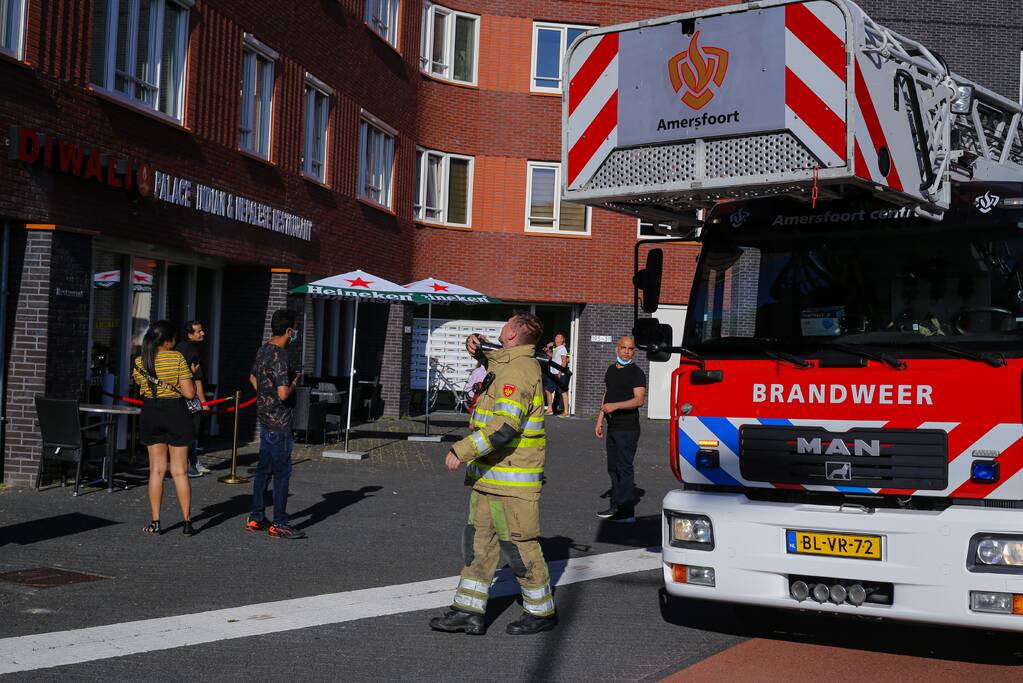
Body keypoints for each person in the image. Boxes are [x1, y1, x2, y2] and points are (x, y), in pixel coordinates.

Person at [429, 311, 556, 636]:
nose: (503, 325)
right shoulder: (507, 362)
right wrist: (477, 349)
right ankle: (467, 612)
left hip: (513, 484)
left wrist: (462, 449)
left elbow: (504, 427)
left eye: (508, 322)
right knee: (478, 547)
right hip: (490, 479)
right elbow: (494, 361)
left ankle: (540, 612)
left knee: (519, 547)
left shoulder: (519, 370)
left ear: (514, 332)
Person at [131, 320, 197, 536]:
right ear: (168, 341)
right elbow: (189, 394)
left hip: (151, 412)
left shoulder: (140, 361)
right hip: (176, 414)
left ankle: (156, 522)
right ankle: (187, 522)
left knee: (156, 471)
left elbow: (141, 390)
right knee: (180, 471)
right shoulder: (177, 358)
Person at [246, 309, 305, 540]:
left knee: (263, 470)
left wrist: (264, 398)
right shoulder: (280, 355)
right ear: (289, 330)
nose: (295, 333)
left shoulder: (264, 349)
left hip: (264, 418)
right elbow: (282, 393)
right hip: (280, 422)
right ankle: (279, 522)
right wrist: (295, 382)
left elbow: (252, 378)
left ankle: (256, 516)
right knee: (282, 473)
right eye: (295, 329)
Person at [594, 335, 647, 524]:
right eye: (624, 348)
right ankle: (616, 505)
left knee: (624, 467)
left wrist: (615, 407)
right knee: (613, 467)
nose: (626, 351)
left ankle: (626, 511)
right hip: (613, 427)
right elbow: (607, 394)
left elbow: (639, 400)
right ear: (617, 348)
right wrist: (600, 419)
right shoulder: (610, 370)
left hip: (628, 428)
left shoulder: (636, 372)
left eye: (630, 349)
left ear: (634, 351)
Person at [176, 320, 211, 478]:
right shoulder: (192, 351)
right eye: (198, 331)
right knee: (192, 431)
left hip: (178, 396)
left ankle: (193, 462)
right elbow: (197, 379)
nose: (202, 333)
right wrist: (203, 402)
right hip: (190, 397)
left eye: (201, 330)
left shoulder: (179, 348)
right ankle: (190, 465)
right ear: (190, 335)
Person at [544, 331, 570, 415]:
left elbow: (564, 361)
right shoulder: (557, 348)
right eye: (556, 337)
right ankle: (550, 409)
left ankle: (566, 411)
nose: (556, 338)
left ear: (562, 339)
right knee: (548, 391)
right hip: (553, 373)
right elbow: (554, 357)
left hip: (559, 374)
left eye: (558, 337)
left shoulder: (562, 348)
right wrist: (547, 352)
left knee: (563, 392)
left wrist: (559, 372)